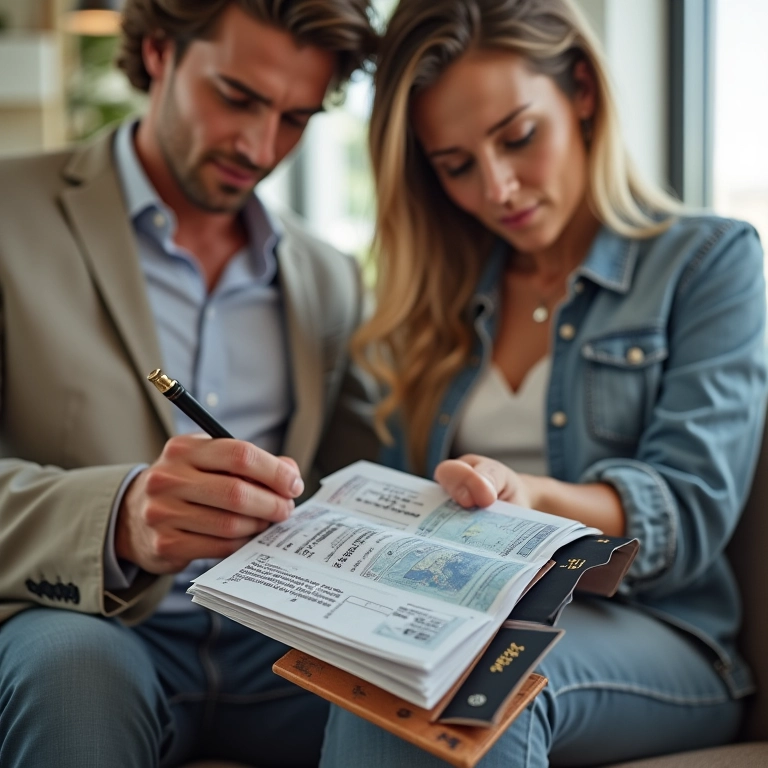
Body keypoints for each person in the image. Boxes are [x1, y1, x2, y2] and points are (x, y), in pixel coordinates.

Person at [319, 0, 767, 766]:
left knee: (469, 683)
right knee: (387, 672)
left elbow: (689, 511)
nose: (498, 188)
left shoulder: (707, 263)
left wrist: (534, 503)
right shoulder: (437, 299)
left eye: (519, 137)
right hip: (460, 610)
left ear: (583, 91)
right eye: (457, 165)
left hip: (658, 630)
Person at [0, 1, 378, 766]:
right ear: (161, 52)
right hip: (85, 623)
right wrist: (120, 521)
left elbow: (359, 479)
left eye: (295, 118)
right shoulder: (11, 216)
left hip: (277, 637)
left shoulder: (330, 280)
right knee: (75, 672)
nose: (260, 145)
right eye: (236, 96)